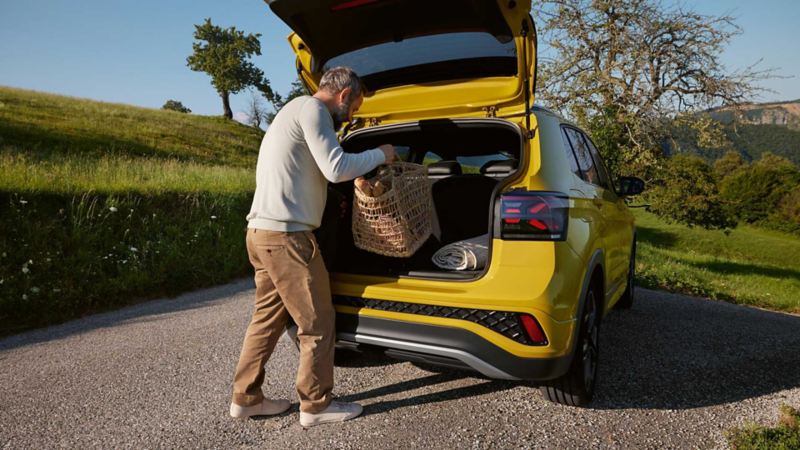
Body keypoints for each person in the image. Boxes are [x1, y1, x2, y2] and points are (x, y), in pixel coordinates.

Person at [229, 67, 396, 427]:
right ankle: (316, 405)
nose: (351, 115)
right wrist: (381, 154)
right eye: (354, 107)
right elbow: (336, 168)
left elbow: (315, 170)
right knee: (317, 322)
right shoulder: (314, 110)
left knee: (266, 321)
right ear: (344, 94)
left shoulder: (292, 111)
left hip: (260, 232)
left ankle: (246, 399)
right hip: (287, 238)